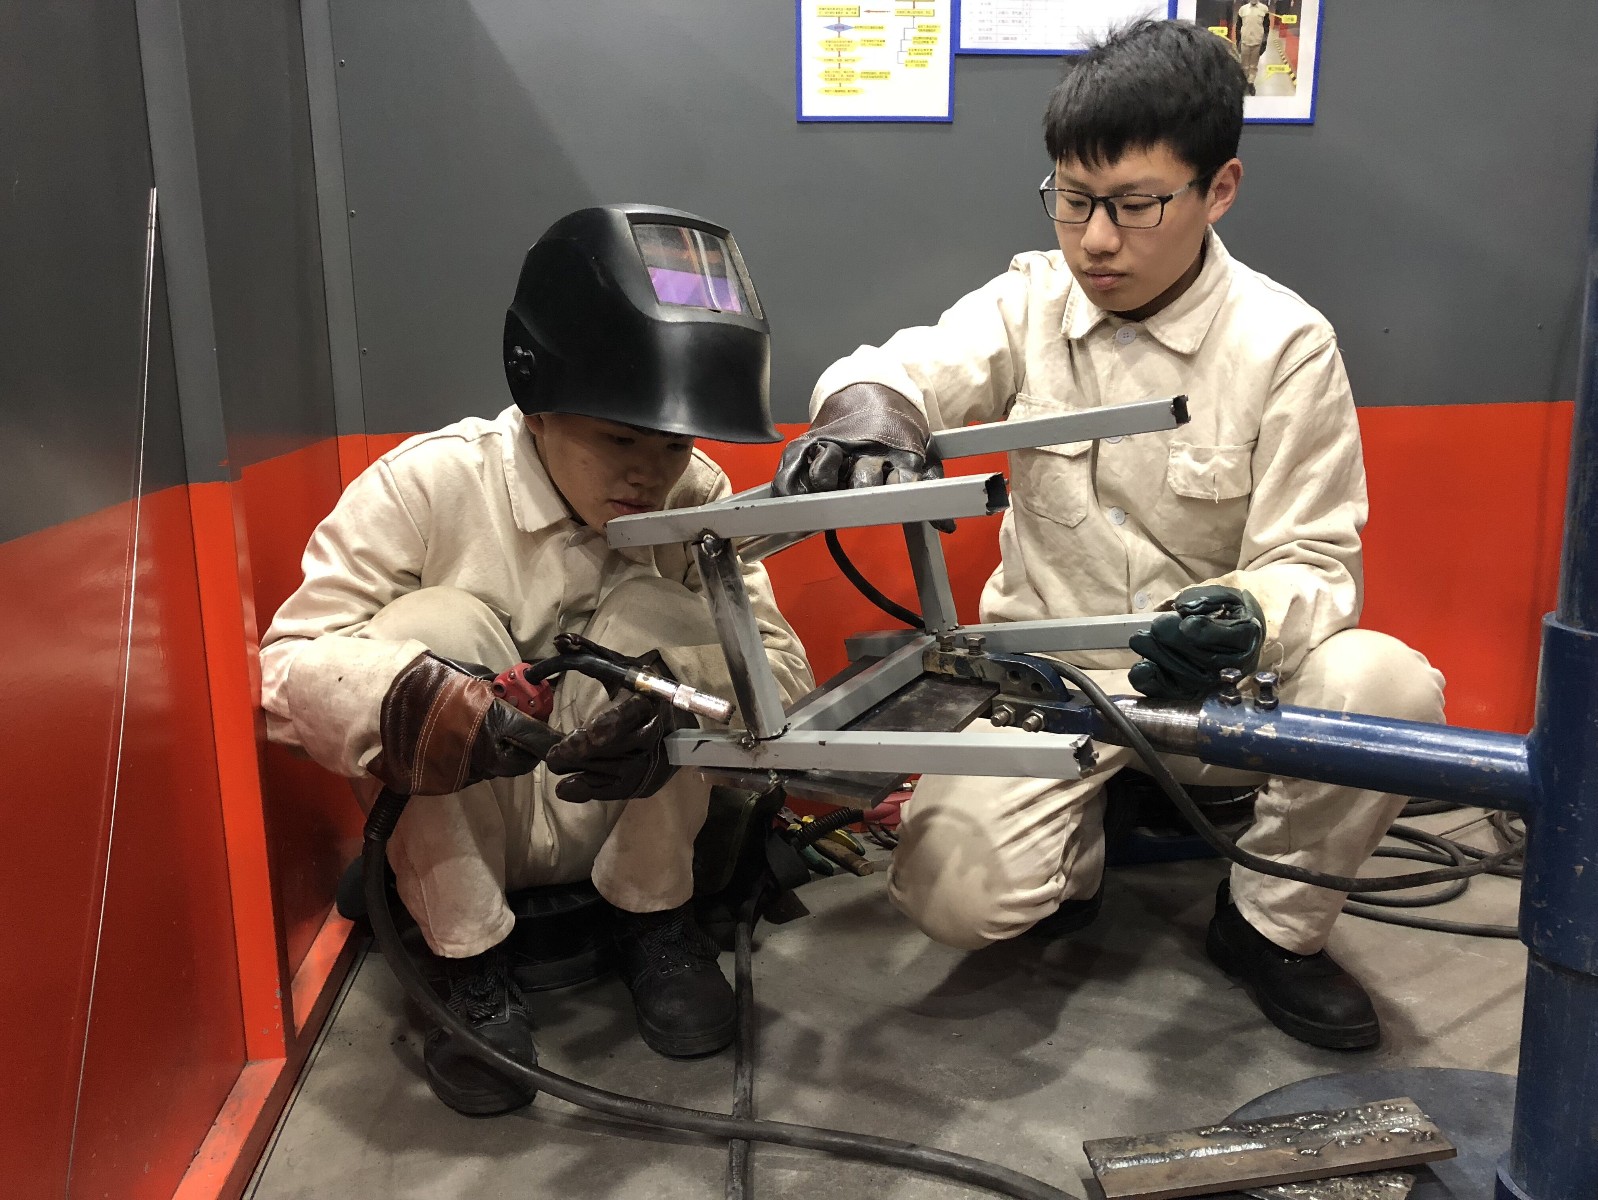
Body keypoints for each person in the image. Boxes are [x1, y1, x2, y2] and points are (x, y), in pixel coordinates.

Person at [773, 20, 1445, 1051]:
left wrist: (1245, 616)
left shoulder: (1285, 345)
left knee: (1389, 690)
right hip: (1052, 688)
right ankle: (1076, 850)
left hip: (1220, 693)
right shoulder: (1028, 304)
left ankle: (1268, 927)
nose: (1093, 240)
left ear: (1219, 189)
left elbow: (1316, 561)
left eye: (1134, 205)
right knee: (951, 896)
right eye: (1073, 200)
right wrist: (870, 410)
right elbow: (904, 364)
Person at [260, 205, 813, 1115]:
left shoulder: (697, 498)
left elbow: (780, 670)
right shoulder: (427, 486)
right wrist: (407, 702)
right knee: (433, 626)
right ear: (539, 404)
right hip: (466, 832)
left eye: (673, 445)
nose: (651, 474)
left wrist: (674, 704)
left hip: (626, 820)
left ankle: (655, 919)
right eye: (620, 439)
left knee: (668, 621)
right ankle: (464, 961)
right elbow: (284, 674)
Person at [1235, 0, 1273, 94]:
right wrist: (1238, 41)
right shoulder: (1242, 9)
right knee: (1244, 65)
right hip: (1245, 42)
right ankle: (1244, 83)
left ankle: (1250, 83)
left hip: (1257, 42)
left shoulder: (1264, 9)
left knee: (1253, 66)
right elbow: (1238, 26)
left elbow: (1266, 27)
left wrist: (1264, 43)